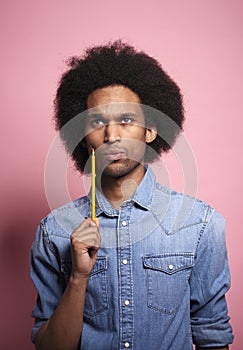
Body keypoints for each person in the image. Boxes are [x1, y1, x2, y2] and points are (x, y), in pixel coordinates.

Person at [30, 40, 234, 350]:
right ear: (86, 139)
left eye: (126, 120)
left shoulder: (200, 224)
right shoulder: (54, 232)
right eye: (98, 122)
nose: (112, 136)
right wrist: (78, 278)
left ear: (149, 131)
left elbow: (212, 334)